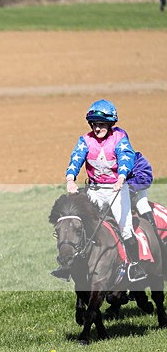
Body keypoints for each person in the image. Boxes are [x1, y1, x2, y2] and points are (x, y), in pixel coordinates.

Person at [57, 99, 147, 282]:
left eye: (101, 125)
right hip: (95, 191)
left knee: (126, 229)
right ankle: (69, 265)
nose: (97, 129)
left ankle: (135, 267)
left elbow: (126, 158)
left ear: (110, 124)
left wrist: (122, 177)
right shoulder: (85, 140)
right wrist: (70, 179)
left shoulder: (120, 138)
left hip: (116, 189)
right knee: (81, 227)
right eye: (95, 125)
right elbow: (76, 159)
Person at [128, 151, 156, 228]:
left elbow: (145, 178)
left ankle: (155, 235)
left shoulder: (135, 157)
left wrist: (130, 187)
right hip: (109, 193)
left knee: (142, 205)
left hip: (134, 192)